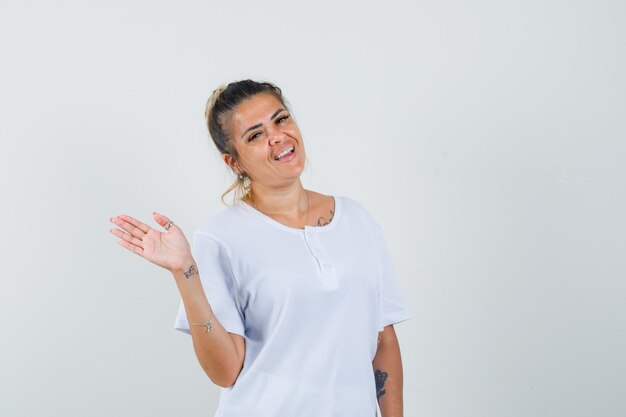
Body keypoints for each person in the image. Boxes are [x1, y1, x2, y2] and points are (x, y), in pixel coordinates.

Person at [109, 79, 411, 417]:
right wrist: (185, 272)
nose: (277, 136)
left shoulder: (356, 220)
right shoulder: (221, 237)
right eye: (255, 135)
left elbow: (383, 340)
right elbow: (225, 371)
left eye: (281, 120)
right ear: (234, 162)